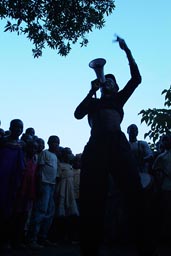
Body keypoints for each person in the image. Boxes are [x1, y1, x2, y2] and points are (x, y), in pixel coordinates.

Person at [74, 36, 158, 256]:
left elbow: (136, 78)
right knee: (92, 197)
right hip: (95, 147)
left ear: (116, 86)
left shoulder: (119, 99)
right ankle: (90, 248)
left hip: (118, 145)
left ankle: (145, 246)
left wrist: (127, 51)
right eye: (105, 79)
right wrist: (91, 91)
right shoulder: (94, 101)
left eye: (111, 79)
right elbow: (77, 114)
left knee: (134, 193)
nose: (107, 80)